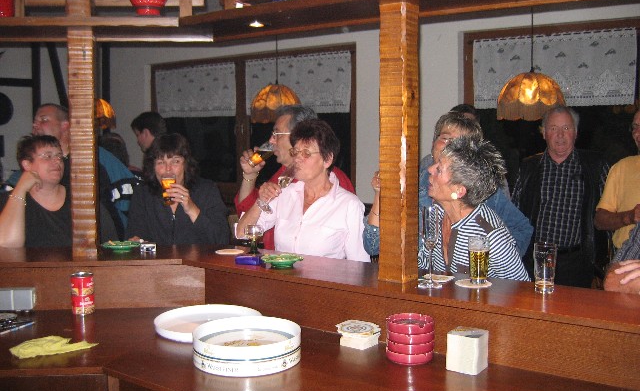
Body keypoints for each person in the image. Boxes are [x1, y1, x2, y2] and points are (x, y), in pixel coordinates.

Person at [364, 112, 533, 259]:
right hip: (417, 279)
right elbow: (373, 245)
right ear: (433, 143)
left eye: (459, 143)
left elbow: (522, 229)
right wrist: (380, 194)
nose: (450, 147)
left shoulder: (485, 192)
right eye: (445, 138)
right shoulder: (410, 184)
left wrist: (486, 263)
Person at [236, 119, 369, 262]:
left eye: (306, 153)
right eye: (295, 152)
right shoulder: (284, 193)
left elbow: (359, 265)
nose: (297, 159)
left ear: (327, 159)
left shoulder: (349, 205)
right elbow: (242, 233)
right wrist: (261, 200)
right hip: (281, 275)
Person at [512, 106, 609, 288]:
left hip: (577, 263)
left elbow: (606, 213)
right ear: (544, 133)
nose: (560, 135)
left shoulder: (594, 166)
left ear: (576, 132)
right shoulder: (529, 168)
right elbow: (515, 215)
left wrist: (604, 261)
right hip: (535, 261)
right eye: (553, 128)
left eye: (566, 128)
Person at [423, 136, 529, 280]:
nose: (430, 169)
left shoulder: (491, 235)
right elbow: (423, 266)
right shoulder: (436, 213)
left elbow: (520, 287)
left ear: (459, 191)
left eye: (439, 169)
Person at [0, 135, 117, 247]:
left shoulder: (81, 200)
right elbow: (7, 245)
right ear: (27, 164)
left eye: (59, 156)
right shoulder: (8, 202)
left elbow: (110, 244)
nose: (57, 161)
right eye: (48, 156)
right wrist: (20, 189)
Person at [126, 133, 229, 245]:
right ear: (153, 167)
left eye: (175, 162)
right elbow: (134, 236)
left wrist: (192, 209)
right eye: (161, 162)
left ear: (185, 165)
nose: (168, 169)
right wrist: (136, 242)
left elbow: (222, 240)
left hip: (198, 257)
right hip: (159, 257)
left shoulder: (207, 191)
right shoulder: (142, 194)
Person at [594, 109, 640, 252]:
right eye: (635, 127)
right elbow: (600, 220)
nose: (638, 132)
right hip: (625, 256)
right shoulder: (622, 167)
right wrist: (629, 217)